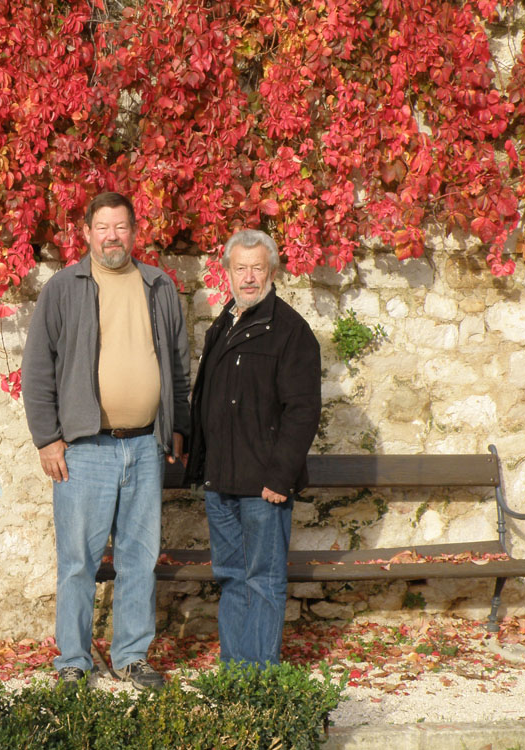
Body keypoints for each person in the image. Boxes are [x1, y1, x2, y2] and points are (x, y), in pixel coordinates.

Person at [21, 191, 189, 689]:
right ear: (87, 233)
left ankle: (131, 656)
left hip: (145, 446)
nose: (112, 237)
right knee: (78, 562)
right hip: (85, 449)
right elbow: (37, 368)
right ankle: (73, 660)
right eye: (102, 228)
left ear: (134, 232)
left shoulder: (159, 286)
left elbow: (178, 365)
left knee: (139, 558)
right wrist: (47, 439)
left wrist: (178, 426)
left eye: (120, 227)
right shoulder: (63, 288)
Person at [185, 228, 321, 667]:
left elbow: (302, 411)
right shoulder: (222, 326)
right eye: (240, 268)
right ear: (226, 271)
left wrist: (280, 477)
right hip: (221, 482)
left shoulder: (290, 331)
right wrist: (198, 462)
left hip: (264, 486)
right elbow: (207, 400)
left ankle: (259, 678)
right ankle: (234, 672)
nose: (248, 277)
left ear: (272, 272)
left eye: (256, 268)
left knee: (262, 580)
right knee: (230, 578)